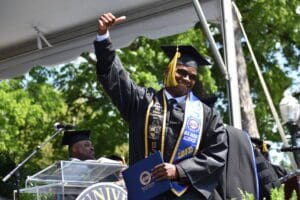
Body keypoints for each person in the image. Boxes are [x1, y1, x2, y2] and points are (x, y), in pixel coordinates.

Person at [94, 13, 228, 199]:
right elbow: (114, 76)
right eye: (181, 72)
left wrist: (179, 170)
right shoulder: (141, 102)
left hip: (187, 194)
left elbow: (217, 154)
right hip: (147, 192)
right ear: (169, 70)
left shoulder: (206, 115)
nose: (187, 79)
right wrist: (103, 37)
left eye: (192, 76)